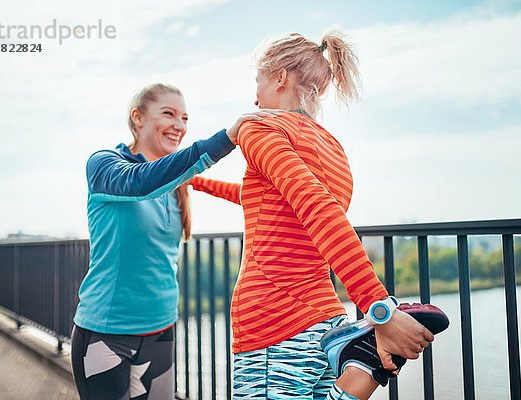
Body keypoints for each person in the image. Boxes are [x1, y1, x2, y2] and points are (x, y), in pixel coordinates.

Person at [190, 31, 448, 399]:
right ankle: (365, 363)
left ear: (279, 77)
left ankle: (368, 356)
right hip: (324, 320)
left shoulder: (258, 125)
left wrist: (380, 309)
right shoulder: (332, 147)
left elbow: (318, 210)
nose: (254, 96)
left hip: (272, 320)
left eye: (258, 81)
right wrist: (195, 183)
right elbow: (268, 202)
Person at [70, 83, 278, 400]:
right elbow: (140, 182)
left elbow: (242, 194)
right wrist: (227, 138)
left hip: (160, 330)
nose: (179, 126)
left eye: (184, 118)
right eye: (168, 114)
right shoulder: (105, 165)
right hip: (106, 334)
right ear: (137, 118)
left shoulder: (178, 183)